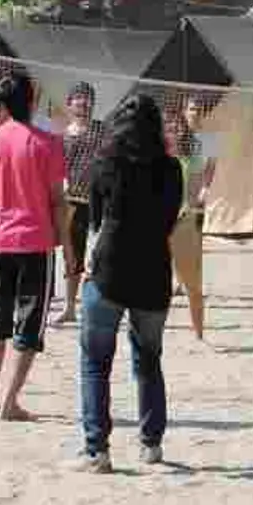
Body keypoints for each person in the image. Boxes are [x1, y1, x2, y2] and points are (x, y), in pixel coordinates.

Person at [77, 94, 185, 473]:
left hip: (109, 268)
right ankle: (152, 444)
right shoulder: (172, 169)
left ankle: (96, 450)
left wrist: (84, 269)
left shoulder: (105, 163)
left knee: (95, 363)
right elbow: (170, 222)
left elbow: (93, 222)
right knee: (149, 360)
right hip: (154, 270)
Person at [0, 73, 67, 423]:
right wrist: (69, 253)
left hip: (0, 240)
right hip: (36, 241)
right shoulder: (48, 143)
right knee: (30, 324)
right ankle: (11, 401)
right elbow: (58, 201)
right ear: (32, 101)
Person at [57, 81, 107, 325]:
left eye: (88, 98)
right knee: (73, 256)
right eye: (79, 98)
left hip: (100, 202)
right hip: (73, 202)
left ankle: (101, 306)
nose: (83, 103)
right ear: (69, 103)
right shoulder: (64, 136)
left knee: (100, 256)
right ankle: (69, 307)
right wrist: (63, 183)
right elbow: (60, 168)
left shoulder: (103, 131)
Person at [164, 107, 206, 339]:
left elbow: (193, 191)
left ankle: (199, 333)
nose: (174, 129)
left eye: (178, 125)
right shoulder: (154, 156)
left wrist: (184, 209)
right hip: (158, 224)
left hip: (184, 222)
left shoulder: (193, 155)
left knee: (193, 284)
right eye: (169, 125)